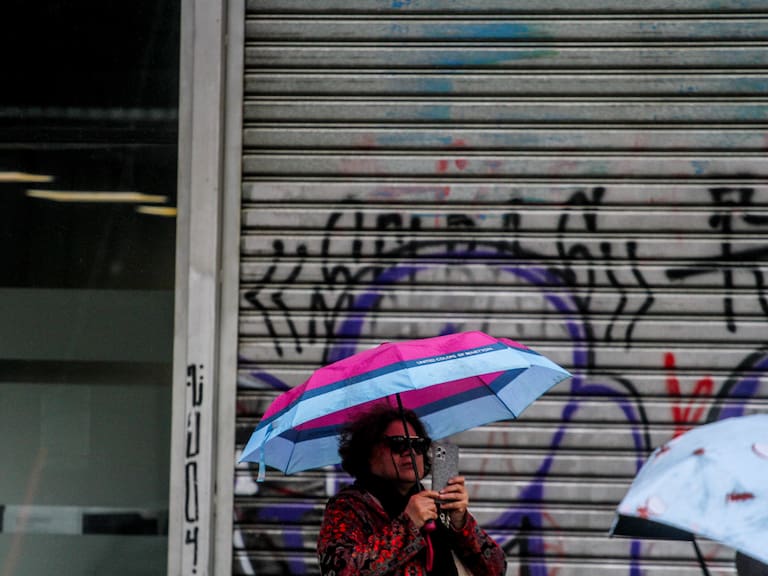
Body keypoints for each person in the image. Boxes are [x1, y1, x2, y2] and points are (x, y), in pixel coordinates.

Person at [317, 404, 507, 576]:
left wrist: (460, 523)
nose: (410, 451)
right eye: (398, 444)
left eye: (418, 444)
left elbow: (496, 568)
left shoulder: (434, 503)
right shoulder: (349, 507)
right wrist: (408, 524)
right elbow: (340, 571)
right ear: (368, 453)